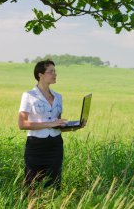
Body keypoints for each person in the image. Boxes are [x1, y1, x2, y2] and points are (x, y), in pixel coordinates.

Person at [18, 59, 85, 190]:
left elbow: (57, 125)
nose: (55, 74)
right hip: (36, 145)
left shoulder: (58, 97)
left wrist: (75, 126)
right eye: (51, 71)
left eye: (55, 71)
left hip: (55, 145)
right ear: (40, 75)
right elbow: (22, 124)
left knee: (54, 185)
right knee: (31, 185)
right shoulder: (29, 95)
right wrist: (50, 123)